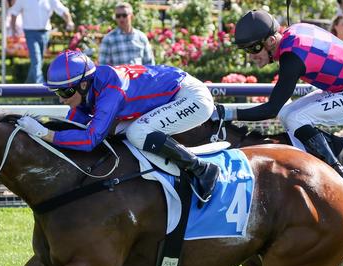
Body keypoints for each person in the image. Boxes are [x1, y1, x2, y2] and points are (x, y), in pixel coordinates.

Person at [15, 50, 220, 203]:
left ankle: (201, 169)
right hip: (171, 94)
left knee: (137, 132)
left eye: (65, 93)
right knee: (119, 131)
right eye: (57, 93)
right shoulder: (90, 86)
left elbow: (89, 140)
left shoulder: (110, 91)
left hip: (192, 97)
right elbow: (74, 126)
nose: (61, 100)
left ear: (83, 84)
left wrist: (45, 134)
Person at [217, 9, 343, 184]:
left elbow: (271, 109)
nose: (251, 57)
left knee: (296, 118)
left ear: (271, 40)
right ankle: (308, 162)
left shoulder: (291, 57)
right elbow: (279, 110)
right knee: (287, 114)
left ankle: (337, 173)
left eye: (253, 48)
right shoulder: (291, 34)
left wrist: (224, 113)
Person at [8, 0, 75, 84]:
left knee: (38, 61)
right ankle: (41, 86)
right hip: (30, 32)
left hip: (45, 33)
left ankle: (27, 87)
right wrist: (13, 30)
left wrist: (69, 21)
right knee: (36, 59)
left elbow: (63, 10)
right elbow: (14, 12)